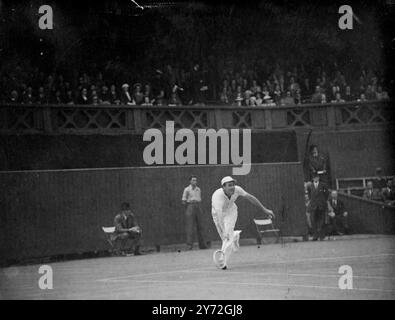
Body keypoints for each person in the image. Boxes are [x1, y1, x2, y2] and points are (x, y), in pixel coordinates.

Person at [211, 176, 274, 269]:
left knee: (228, 238)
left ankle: (222, 261)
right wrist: (224, 231)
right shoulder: (217, 196)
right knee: (226, 237)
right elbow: (219, 215)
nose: (232, 187)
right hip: (217, 215)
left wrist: (265, 210)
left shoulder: (237, 189)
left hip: (231, 212)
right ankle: (235, 235)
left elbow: (251, 198)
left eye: (233, 185)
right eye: (229, 185)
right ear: (223, 187)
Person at [181, 175, 209, 250]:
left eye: (195, 180)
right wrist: (188, 207)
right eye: (193, 180)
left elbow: (199, 199)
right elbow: (183, 200)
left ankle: (202, 245)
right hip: (190, 206)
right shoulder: (186, 189)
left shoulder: (198, 189)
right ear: (190, 181)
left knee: (201, 226)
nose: (195, 182)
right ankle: (189, 245)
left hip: (198, 206)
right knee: (190, 226)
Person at [306, 173, 329, 241]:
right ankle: (315, 236)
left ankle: (322, 236)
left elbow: (326, 194)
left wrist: (322, 201)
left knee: (321, 221)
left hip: (321, 205)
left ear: (318, 178)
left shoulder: (323, 185)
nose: (315, 179)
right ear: (313, 179)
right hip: (313, 206)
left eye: (317, 177)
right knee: (313, 221)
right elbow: (310, 195)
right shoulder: (310, 186)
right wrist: (313, 202)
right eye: (314, 178)